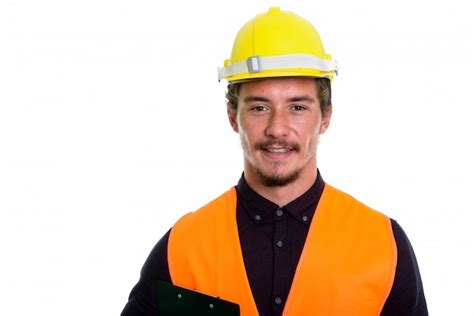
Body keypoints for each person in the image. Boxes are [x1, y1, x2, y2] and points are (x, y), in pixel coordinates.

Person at [121, 7, 427, 316]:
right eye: (259, 107)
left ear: (325, 117)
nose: (277, 129)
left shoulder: (382, 243)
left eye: (297, 107)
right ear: (232, 116)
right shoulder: (183, 247)